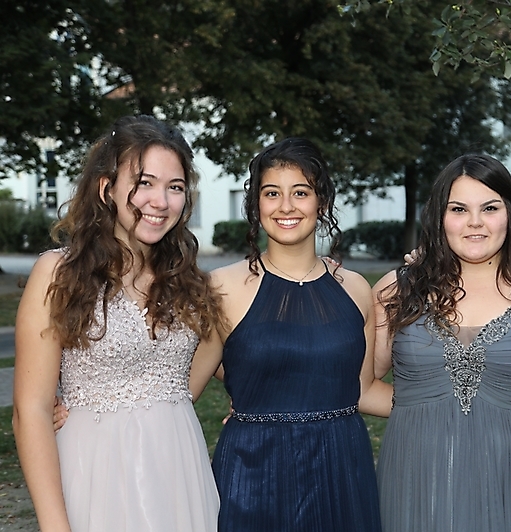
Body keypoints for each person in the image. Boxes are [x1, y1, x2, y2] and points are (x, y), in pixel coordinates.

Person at [13, 115, 223, 531]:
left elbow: (221, 359)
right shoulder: (59, 274)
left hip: (180, 474)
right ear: (106, 188)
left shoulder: (188, 279)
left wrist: (253, 404)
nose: (161, 201)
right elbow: (30, 411)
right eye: (144, 183)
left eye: (175, 187)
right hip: (96, 473)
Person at [373, 153, 511, 532]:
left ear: (509, 213)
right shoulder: (397, 292)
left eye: (489, 208)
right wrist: (423, 403)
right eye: (458, 209)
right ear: (439, 216)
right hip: (421, 485)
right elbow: (357, 386)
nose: (474, 222)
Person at [188, 137, 390, 531]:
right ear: (255, 205)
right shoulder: (221, 288)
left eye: (300, 192)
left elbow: (364, 390)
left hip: (341, 472)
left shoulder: (355, 289)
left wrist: (452, 402)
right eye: (271, 193)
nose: (285, 206)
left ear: (322, 203)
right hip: (253, 474)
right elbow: (182, 388)